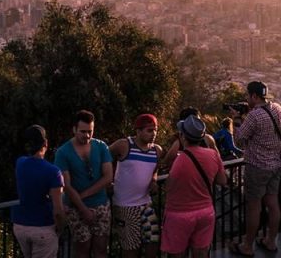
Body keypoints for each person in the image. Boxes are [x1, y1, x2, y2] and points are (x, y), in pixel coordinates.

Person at [162, 115, 225, 258]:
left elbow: (169, 186)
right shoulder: (213, 154)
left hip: (179, 215)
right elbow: (222, 180)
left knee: (177, 253)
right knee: (201, 253)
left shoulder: (180, 160)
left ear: (183, 136)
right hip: (206, 213)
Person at [54, 110, 113, 258]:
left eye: (90, 131)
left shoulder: (101, 147)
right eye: (82, 131)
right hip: (76, 208)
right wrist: (83, 208)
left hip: (101, 205)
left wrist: (84, 195)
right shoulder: (63, 152)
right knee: (82, 250)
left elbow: (108, 177)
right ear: (74, 129)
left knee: (101, 248)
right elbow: (66, 185)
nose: (87, 135)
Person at [232, 81, 281, 255]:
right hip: (275, 165)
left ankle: (247, 246)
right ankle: (271, 242)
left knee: (254, 207)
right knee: (273, 204)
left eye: (248, 95)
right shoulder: (277, 108)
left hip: (257, 167)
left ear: (253, 96)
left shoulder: (254, 116)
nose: (247, 98)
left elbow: (239, 140)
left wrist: (236, 119)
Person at [108, 114, 162, 258]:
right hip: (125, 205)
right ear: (138, 131)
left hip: (146, 204)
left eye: (156, 130)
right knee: (131, 249)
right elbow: (103, 158)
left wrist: (154, 180)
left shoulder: (157, 150)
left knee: (153, 243)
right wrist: (108, 180)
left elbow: (155, 170)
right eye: (149, 130)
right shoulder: (124, 145)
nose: (154, 134)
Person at [11, 125, 65, 258]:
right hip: (43, 228)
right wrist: (60, 228)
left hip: (20, 226)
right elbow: (58, 210)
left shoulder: (20, 163)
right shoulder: (53, 172)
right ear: (45, 143)